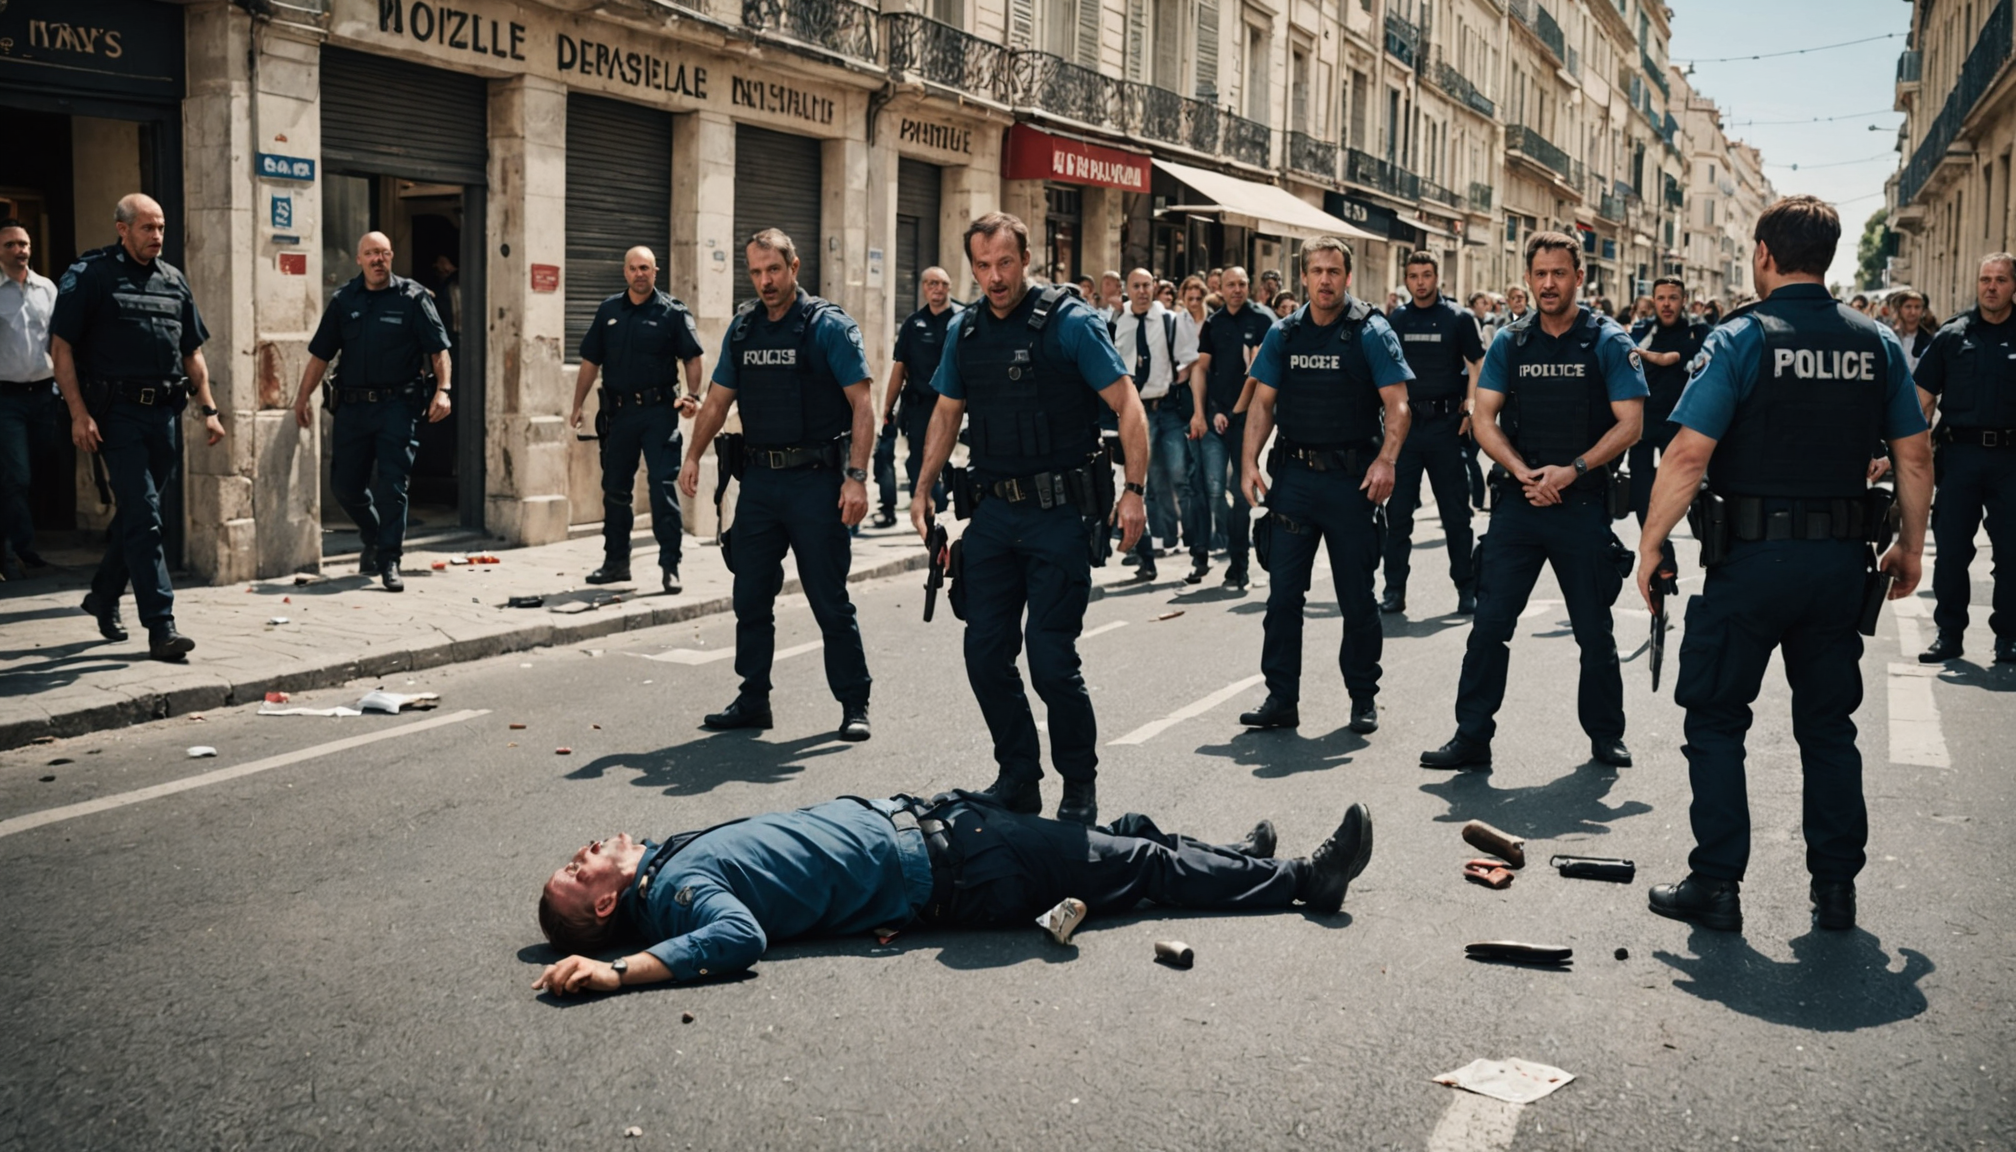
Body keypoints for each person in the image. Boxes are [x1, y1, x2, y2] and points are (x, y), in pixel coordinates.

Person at [1635, 196, 1932, 934]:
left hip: (1752, 563)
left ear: (1764, 253)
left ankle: (1717, 886)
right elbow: (1915, 454)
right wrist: (1912, 547)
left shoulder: (1742, 337)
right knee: (1829, 728)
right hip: (1839, 563)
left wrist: (1649, 545)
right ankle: (1835, 890)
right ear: (1827, 257)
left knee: (1715, 718)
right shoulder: (1878, 343)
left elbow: (1689, 454)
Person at [531, 793, 1375, 993]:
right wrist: (620, 971)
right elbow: (736, 938)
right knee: (1133, 864)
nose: (584, 850)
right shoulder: (676, 899)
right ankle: (1303, 880)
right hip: (957, 867)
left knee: (1120, 841)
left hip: (945, 840)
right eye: (578, 871)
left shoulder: (666, 862)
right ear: (607, 908)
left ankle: (1231, 858)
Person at [910, 211, 1149, 826]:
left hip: (1057, 517)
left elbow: (1128, 406)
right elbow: (945, 413)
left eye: (1005, 263)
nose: (994, 277)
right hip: (991, 516)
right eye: (983, 266)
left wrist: (1135, 491)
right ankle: (1018, 776)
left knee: (1050, 658)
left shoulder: (1068, 323)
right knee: (985, 653)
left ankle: (1080, 783)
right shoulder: (964, 333)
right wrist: (923, 487)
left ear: (1027, 259)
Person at [1420, 232, 1646, 770]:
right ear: (1528, 278)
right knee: (1490, 624)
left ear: (1579, 277)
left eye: (1560, 273)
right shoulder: (1510, 342)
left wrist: (1572, 471)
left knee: (1594, 630)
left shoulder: (1608, 341)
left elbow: (1631, 424)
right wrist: (1523, 471)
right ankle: (1471, 736)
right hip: (1520, 502)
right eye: (1540, 273)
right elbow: (1482, 419)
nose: (1549, 283)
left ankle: (1605, 736)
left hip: (1583, 501)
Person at [677, 229, 877, 741]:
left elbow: (862, 404)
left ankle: (854, 703)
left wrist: (856, 477)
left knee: (828, 599)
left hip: (816, 483)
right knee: (750, 595)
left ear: (794, 266)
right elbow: (718, 401)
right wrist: (693, 455)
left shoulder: (827, 327)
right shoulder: (744, 331)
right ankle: (753, 698)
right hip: (761, 483)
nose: (765, 281)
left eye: (773, 270)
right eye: (756, 272)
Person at [1236, 236, 1414, 734]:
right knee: (1283, 596)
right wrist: (1249, 462)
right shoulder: (1285, 334)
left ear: (1348, 277)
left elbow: (1398, 405)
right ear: (1304, 276)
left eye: (1334, 271)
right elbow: (1263, 403)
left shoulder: (1370, 332)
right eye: (1316, 271)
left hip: (1351, 482)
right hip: (1293, 478)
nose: (1325, 280)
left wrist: (1386, 461)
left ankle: (1362, 697)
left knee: (1356, 597)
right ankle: (1281, 698)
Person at [52, 193, 226, 659]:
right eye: (147, 228)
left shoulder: (173, 280)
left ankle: (104, 595)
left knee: (137, 516)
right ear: (121, 229)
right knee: (147, 517)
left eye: (162, 228)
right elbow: (61, 347)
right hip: (116, 415)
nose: (157, 237)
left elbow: (192, 351)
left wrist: (208, 409)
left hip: (163, 414)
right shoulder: (91, 275)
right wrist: (78, 413)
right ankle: (161, 627)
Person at [292, 231, 453, 592]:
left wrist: (443, 390)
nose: (378, 260)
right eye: (370, 254)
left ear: (391, 256)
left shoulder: (413, 297)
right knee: (345, 486)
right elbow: (320, 354)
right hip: (353, 408)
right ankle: (374, 534)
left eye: (383, 253)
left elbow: (439, 349)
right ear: (359, 259)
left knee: (393, 486)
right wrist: (303, 397)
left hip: (399, 406)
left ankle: (389, 560)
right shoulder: (344, 300)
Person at [566, 245, 704, 593]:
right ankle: (615, 564)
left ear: (655, 272)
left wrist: (693, 395)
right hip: (620, 413)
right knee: (615, 490)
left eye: (646, 268)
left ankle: (670, 566)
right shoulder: (608, 310)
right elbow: (590, 361)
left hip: (660, 412)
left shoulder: (673, 312)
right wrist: (577, 404)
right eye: (633, 268)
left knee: (661, 487)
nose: (639, 273)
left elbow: (692, 356)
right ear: (624, 272)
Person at [1911, 253, 2016, 665]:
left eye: (2001, 280)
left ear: (2013, 286)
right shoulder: (1953, 336)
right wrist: (1902, 455)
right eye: (1986, 279)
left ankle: (2009, 637)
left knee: (2011, 553)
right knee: (1953, 550)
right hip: (1960, 458)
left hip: (2012, 461)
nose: (1991, 287)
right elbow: (1922, 401)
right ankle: (1948, 634)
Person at [1379, 251, 1485, 615]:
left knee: (1455, 515)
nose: (1420, 282)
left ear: (1437, 277)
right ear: (1406, 280)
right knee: (1399, 517)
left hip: (1445, 427)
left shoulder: (1458, 318)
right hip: (1406, 430)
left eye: (1426, 275)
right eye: (1413, 276)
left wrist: (1471, 407)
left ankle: (1466, 589)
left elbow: (1477, 364)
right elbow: (1385, 370)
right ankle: (1394, 590)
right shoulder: (1397, 319)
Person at [1110, 267, 1198, 581]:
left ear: (1155, 286)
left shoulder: (1171, 320)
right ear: (1127, 289)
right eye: (1137, 286)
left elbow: (1190, 360)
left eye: (1148, 285)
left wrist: (1175, 384)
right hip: (1136, 412)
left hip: (1168, 409)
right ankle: (1149, 555)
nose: (1143, 291)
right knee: (1141, 484)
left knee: (1179, 478)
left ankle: (1194, 545)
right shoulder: (1117, 322)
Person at [1193, 267, 1275, 590]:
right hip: (1215, 419)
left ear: (1248, 286)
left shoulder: (1263, 320)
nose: (1237, 289)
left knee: (1242, 495)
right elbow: (1201, 369)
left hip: (1248, 419)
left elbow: (1258, 376)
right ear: (1221, 289)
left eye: (1242, 283)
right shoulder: (1213, 323)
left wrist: (1233, 411)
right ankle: (1215, 549)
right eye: (1231, 285)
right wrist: (1202, 413)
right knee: (1212, 489)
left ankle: (1238, 568)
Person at [1627, 276, 1707, 578]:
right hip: (1644, 424)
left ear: (1683, 300)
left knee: (1682, 494)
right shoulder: (1643, 330)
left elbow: (1669, 359)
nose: (1666, 304)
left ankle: (1710, 550)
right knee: (1639, 493)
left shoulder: (1696, 333)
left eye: (1673, 297)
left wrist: (1637, 353)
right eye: (1661, 298)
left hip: (1681, 425)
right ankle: (1662, 551)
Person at [872, 266, 958, 529]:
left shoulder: (960, 320)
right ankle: (927, 513)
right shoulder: (913, 324)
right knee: (917, 462)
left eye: (942, 283)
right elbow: (899, 368)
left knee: (940, 461)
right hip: (919, 407)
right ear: (924, 287)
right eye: (931, 283)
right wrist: (887, 408)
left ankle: (941, 514)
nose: (937, 289)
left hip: (951, 405)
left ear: (949, 288)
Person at [0, 218, 57, 581]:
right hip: (7, 397)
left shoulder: (48, 289)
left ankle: (23, 544)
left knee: (37, 472)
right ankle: (18, 548)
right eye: (10, 245)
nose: (19, 250)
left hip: (45, 395)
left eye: (23, 243)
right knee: (16, 475)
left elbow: (62, 342)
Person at [1889, 288, 1937, 376]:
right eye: (1908, 307)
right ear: (1900, 309)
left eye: (1917, 307)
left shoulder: (1929, 340)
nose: (1913, 312)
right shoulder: (1890, 337)